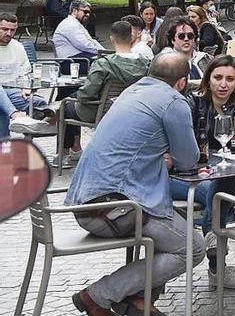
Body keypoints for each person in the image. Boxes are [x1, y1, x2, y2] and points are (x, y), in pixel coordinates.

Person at [63, 53, 204, 316]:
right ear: (183, 82)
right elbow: (188, 159)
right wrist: (171, 157)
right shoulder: (174, 101)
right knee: (192, 249)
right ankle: (97, 296)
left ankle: (139, 299)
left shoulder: (131, 91)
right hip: (114, 208)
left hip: (87, 203)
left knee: (179, 223)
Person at [169, 56, 235, 287]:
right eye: (217, 78)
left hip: (218, 175)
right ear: (208, 80)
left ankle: (215, 249)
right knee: (220, 194)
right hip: (183, 176)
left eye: (230, 79)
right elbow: (184, 146)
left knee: (220, 188)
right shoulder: (192, 103)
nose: (223, 84)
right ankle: (217, 266)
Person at [58, 21, 149, 166]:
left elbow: (87, 94)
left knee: (66, 105)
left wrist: (79, 96)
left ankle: (64, 153)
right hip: (133, 111)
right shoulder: (146, 63)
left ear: (112, 39)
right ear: (131, 38)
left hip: (103, 111)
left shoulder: (103, 64)